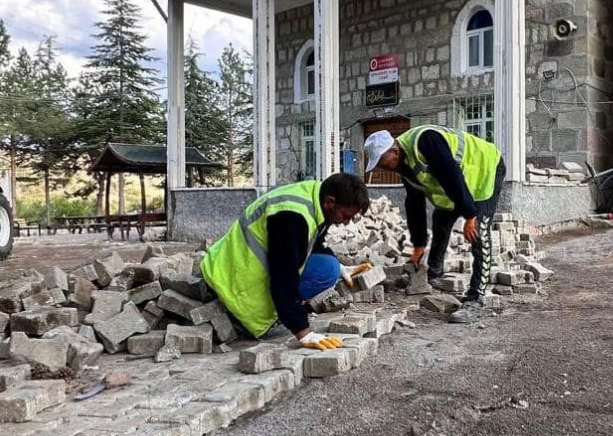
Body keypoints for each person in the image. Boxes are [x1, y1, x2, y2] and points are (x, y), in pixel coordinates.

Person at [200, 172, 372, 350]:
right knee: (324, 271)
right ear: (330, 202)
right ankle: (245, 318)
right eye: (345, 216)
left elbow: (312, 242)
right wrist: (303, 332)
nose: (345, 222)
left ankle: (285, 310)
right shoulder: (291, 217)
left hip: (231, 266)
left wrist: (341, 267)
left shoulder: (314, 197)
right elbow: (284, 276)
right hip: (230, 284)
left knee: (330, 267)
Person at [363, 126, 505, 322]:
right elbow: (414, 204)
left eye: (382, 162)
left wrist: (471, 216)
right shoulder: (402, 164)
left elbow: (451, 174)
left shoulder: (426, 141)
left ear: (393, 151)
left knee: (479, 232)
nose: (381, 167)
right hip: (459, 183)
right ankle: (433, 275)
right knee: (441, 220)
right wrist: (419, 245)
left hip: (484, 169)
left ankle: (477, 298)